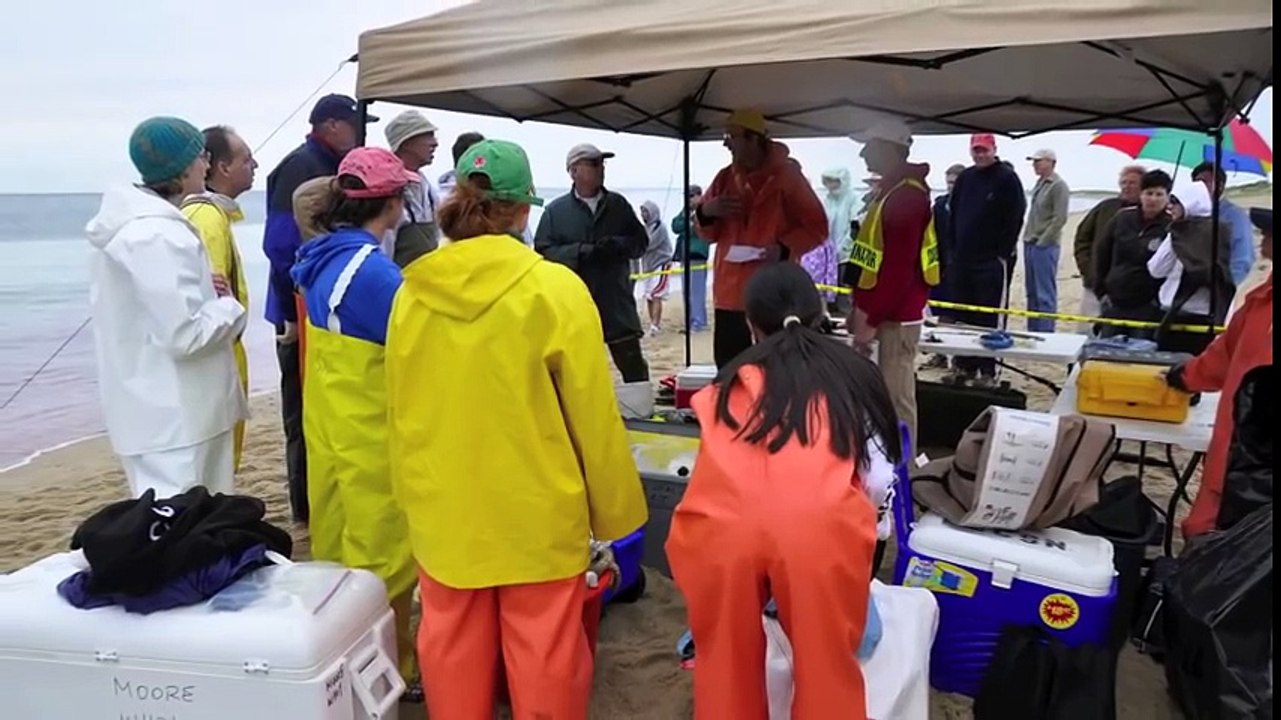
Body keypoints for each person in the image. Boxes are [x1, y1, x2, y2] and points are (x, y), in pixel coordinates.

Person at [388, 139, 648, 719]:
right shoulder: (553, 289)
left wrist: (409, 496)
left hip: (445, 504)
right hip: (537, 506)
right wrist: (617, 514)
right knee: (545, 649)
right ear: (525, 208)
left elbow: (400, 406)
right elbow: (592, 414)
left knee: (452, 645)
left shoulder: (412, 293)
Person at [666, 262, 902, 720]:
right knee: (828, 667)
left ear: (751, 326)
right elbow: (877, 480)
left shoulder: (726, 384)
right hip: (819, 535)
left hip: (723, 536)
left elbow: (710, 474)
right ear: (820, 315)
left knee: (724, 664)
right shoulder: (853, 377)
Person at [288, 147, 418, 687]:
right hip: (368, 430)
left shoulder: (319, 257)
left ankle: (339, 655)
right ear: (392, 203)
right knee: (383, 551)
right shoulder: (374, 272)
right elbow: (417, 350)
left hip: (331, 425)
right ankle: (390, 670)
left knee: (336, 541)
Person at [86, 117, 245, 498]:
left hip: (155, 412)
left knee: (177, 519)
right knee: (189, 521)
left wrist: (207, 294)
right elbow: (184, 335)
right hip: (180, 419)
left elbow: (155, 313)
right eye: (202, 156)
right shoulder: (157, 234)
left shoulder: (135, 228)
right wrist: (227, 306)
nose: (206, 165)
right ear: (185, 166)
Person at [262, 93, 374, 523]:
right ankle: (305, 508)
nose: (359, 133)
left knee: (329, 408)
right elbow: (279, 245)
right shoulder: (302, 165)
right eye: (353, 124)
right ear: (330, 125)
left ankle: (328, 500)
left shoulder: (334, 164)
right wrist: (293, 311)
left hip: (325, 300)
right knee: (302, 411)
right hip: (300, 306)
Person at [1165, 207, 1271, 539]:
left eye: (1269, 234)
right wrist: (1185, 376)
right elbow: (1225, 354)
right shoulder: (1262, 299)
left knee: (1224, 535)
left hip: (1250, 457)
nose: (1263, 239)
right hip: (1235, 452)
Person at [696, 109, 828, 367]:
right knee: (730, 367)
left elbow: (817, 227)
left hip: (773, 291)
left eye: (730, 137)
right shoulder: (725, 177)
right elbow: (708, 235)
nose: (726, 144)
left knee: (777, 367)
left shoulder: (788, 178)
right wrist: (706, 212)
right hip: (729, 293)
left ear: (753, 138)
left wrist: (783, 248)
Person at [844, 117, 937, 444]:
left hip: (896, 317)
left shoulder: (906, 196)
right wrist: (859, 307)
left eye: (869, 146)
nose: (863, 154)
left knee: (896, 401)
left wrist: (869, 318)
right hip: (883, 311)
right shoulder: (891, 192)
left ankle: (904, 468)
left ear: (889, 148)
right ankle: (883, 460)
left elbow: (898, 270)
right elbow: (873, 259)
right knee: (878, 398)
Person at [535, 143, 650, 381]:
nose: (601, 168)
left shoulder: (618, 205)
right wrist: (580, 252)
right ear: (573, 171)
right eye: (593, 163)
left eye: (602, 163)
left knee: (634, 370)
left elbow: (640, 242)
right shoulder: (555, 212)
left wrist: (617, 245)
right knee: (577, 376)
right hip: (573, 304)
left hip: (616, 302)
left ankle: (641, 404)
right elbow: (543, 252)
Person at [181, 126, 257, 471]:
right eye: (246, 159)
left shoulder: (213, 214)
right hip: (217, 358)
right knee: (217, 465)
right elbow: (206, 298)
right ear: (222, 167)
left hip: (222, 354)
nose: (254, 165)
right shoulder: (207, 216)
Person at [946, 133, 1026, 384]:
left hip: (991, 260)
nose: (980, 155)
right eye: (976, 150)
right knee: (962, 314)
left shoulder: (1007, 178)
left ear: (993, 149)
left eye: (984, 150)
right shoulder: (966, 177)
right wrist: (953, 248)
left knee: (989, 315)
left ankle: (988, 371)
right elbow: (953, 212)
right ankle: (963, 366)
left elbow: (1016, 216)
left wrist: (1002, 251)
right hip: (962, 258)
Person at [1146, 182, 1235, 354]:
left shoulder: (1180, 232)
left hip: (1179, 317)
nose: (1169, 206)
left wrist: (1172, 237)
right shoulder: (1220, 230)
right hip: (1211, 316)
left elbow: (1156, 269)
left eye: (1174, 201)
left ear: (1189, 202)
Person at [1094, 169, 1174, 337]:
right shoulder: (1122, 218)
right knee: (1107, 348)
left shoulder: (1171, 226)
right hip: (1114, 302)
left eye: (1159, 194)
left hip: (1149, 306)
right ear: (1141, 194)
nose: (1153, 199)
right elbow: (1102, 253)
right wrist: (1101, 290)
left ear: (1168, 197)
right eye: (1149, 193)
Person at [1074, 165, 1145, 323]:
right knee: (1087, 329)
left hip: (1129, 289)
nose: (1127, 186)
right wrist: (1088, 269)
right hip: (1095, 283)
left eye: (1132, 183)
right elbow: (1082, 238)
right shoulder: (1106, 207)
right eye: (1124, 182)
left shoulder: (1148, 214)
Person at [922, 163, 967, 370]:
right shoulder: (940, 205)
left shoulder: (970, 204)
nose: (951, 186)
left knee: (961, 315)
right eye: (948, 182)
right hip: (941, 265)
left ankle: (959, 360)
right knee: (941, 312)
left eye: (955, 182)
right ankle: (940, 355)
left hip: (963, 266)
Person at [383, 110, 442, 267]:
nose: (435, 143)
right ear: (406, 142)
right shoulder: (388, 189)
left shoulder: (427, 188)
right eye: (428, 135)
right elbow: (383, 251)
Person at [1022, 149, 1070, 332]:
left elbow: (1060, 218)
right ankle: (1033, 330)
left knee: (1045, 293)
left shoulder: (1058, 185)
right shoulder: (1040, 183)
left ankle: (1046, 332)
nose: (1035, 165)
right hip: (1031, 242)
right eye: (1034, 162)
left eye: (1039, 161)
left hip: (1045, 245)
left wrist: (1043, 240)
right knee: (1032, 292)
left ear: (1051, 162)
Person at [1190, 161, 1255, 285]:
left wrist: (1226, 288)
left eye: (1203, 182)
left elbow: (1243, 258)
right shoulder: (1192, 213)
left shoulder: (1235, 216)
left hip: (1218, 287)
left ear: (1219, 186)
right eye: (1196, 183)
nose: (1198, 187)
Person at [811, 168, 856, 313]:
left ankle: (847, 314)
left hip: (848, 253)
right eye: (828, 181)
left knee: (844, 285)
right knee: (829, 284)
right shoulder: (826, 199)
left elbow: (854, 226)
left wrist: (844, 246)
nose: (831, 185)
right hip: (828, 253)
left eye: (834, 181)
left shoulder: (853, 199)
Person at [672, 184, 711, 331]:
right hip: (685, 255)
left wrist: (690, 224)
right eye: (686, 197)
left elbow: (700, 230)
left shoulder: (704, 210)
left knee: (697, 291)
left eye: (691, 196)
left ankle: (699, 321)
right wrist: (687, 219)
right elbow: (675, 226)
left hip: (698, 254)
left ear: (699, 195)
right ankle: (690, 320)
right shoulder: (685, 211)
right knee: (686, 291)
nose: (688, 200)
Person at [639, 200, 675, 335]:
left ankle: (656, 324)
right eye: (642, 212)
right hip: (648, 266)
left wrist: (638, 245)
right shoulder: (644, 229)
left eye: (645, 211)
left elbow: (648, 245)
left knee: (656, 294)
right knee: (649, 295)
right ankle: (652, 323)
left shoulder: (660, 228)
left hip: (661, 264)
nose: (643, 214)